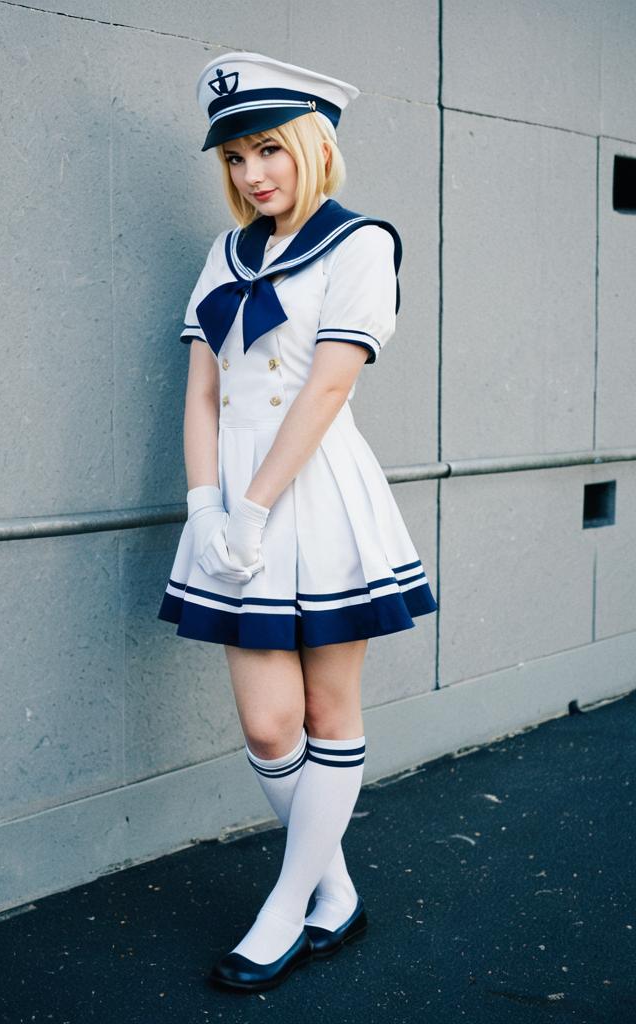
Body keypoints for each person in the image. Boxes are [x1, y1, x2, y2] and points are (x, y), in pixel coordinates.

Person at [157, 51, 438, 992]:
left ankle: (285, 906)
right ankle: (335, 890)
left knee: (327, 710)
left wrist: (256, 507)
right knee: (272, 727)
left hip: (315, 500)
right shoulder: (225, 253)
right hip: (232, 497)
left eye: (268, 149)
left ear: (314, 145)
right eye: (235, 158)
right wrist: (207, 507)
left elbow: (324, 392)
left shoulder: (361, 245)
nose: (251, 175)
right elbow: (202, 392)